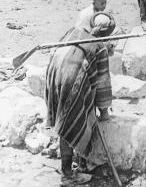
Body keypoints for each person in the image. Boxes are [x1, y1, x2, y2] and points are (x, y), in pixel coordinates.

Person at [45, 12, 115, 184]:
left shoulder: (73, 31)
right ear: (108, 34)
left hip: (54, 74)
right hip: (71, 79)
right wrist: (104, 112)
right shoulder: (100, 47)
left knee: (65, 118)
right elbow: (103, 84)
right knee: (70, 121)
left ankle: (76, 163)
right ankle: (67, 174)